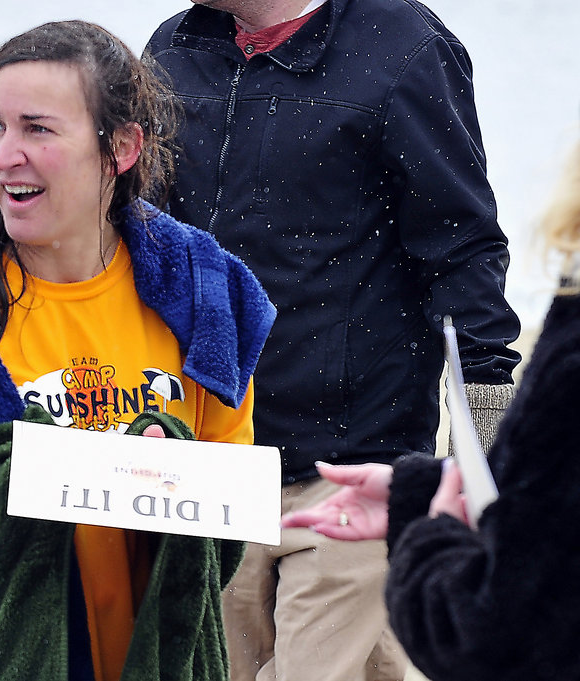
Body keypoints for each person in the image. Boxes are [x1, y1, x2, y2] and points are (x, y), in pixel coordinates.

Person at [0, 21, 275, 681]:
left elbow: (227, 508)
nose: (4, 155)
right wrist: (5, 485)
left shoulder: (200, 291)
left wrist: (158, 473)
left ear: (120, 147)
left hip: (153, 658)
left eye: (37, 127)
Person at [145, 2, 522, 680]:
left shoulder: (406, 47)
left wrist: (487, 449)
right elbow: (139, 247)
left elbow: (463, 250)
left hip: (354, 474)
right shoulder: (173, 48)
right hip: (209, 464)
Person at [283, 139, 580, 681]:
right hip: (238, 462)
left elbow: (492, 631)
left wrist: (432, 543)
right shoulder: (181, 52)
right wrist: (426, 492)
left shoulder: (410, 58)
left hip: (352, 444)